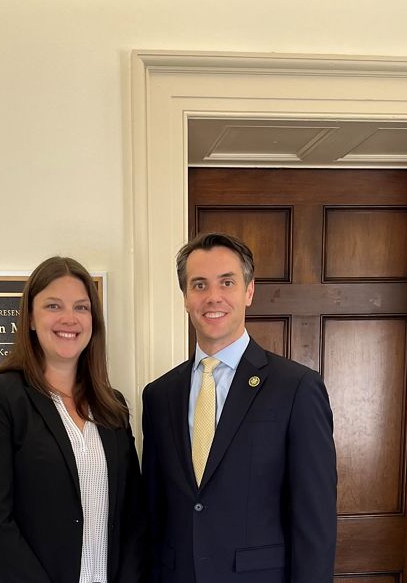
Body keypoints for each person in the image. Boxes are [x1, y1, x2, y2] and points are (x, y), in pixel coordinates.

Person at [142, 232, 337, 583]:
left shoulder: (296, 388)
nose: (212, 296)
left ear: (249, 290)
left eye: (226, 282)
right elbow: (155, 513)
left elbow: (315, 521)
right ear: (185, 297)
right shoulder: (159, 395)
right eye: (199, 285)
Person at [0, 256, 145, 583]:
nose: (69, 318)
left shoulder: (112, 406)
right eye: (53, 306)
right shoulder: (0, 398)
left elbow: (132, 515)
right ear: (31, 318)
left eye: (81, 307)